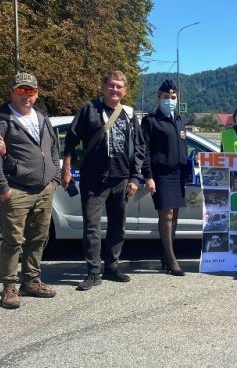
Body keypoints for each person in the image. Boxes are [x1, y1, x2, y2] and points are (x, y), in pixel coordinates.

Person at [62, 70, 145, 290]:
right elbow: (71, 139)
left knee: (118, 226)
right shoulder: (89, 109)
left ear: (125, 90)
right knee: (92, 227)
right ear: (103, 86)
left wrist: (135, 177)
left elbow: (139, 147)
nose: (115, 89)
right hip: (94, 179)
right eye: (111, 85)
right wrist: (66, 168)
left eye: (119, 86)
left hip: (122, 179)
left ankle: (112, 266)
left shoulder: (128, 113)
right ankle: (93, 272)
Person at [0, 72, 60, 309]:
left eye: (30, 91)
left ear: (36, 94)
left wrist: (54, 179)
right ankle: (9, 286)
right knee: (12, 241)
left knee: (38, 237)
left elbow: (54, 150)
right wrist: (2, 187)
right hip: (16, 189)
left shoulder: (43, 119)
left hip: (44, 189)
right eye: (21, 90)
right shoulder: (2, 120)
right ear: (12, 92)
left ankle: (32, 280)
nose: (26, 95)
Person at [140, 80, 190, 276]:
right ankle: (171, 259)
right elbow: (144, 150)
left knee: (174, 216)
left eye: (173, 97)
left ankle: (165, 254)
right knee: (166, 215)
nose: (170, 100)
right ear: (158, 98)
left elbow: (183, 147)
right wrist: (148, 176)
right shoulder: (151, 121)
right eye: (166, 97)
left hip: (178, 175)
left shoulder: (179, 120)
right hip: (161, 174)